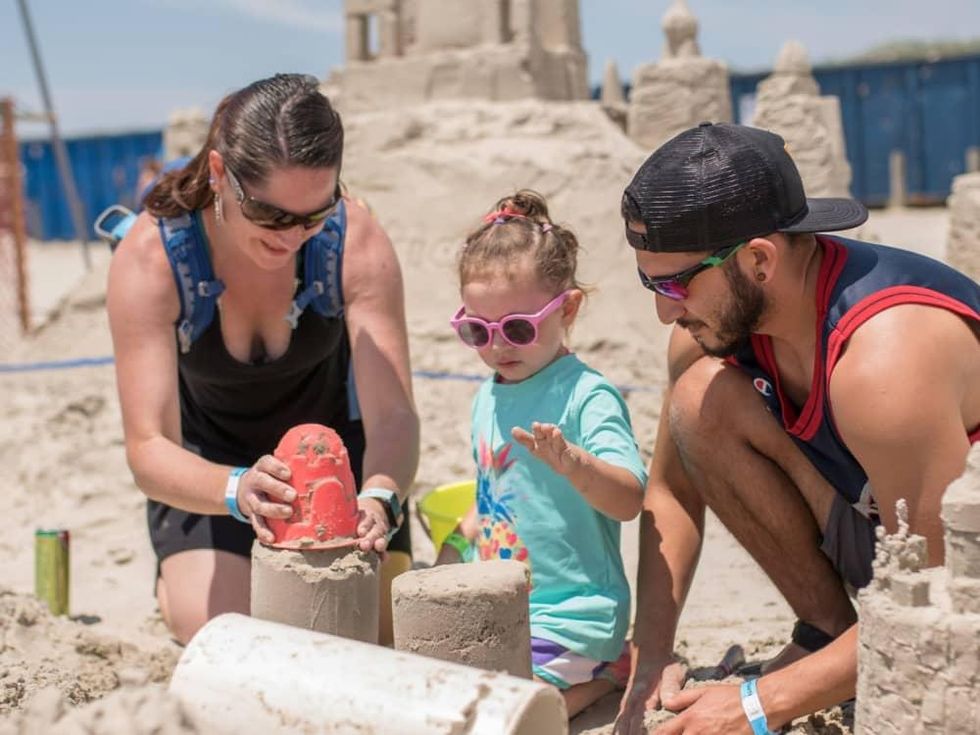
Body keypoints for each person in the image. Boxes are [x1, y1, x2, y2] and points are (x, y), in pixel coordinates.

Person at [613, 122, 980, 734]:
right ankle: (826, 634)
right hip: (894, 547)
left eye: (676, 284)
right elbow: (672, 494)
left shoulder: (882, 359)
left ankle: (831, 658)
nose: (663, 310)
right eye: (649, 282)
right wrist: (651, 656)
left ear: (759, 259)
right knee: (698, 397)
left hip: (960, 584)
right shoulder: (718, 329)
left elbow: (938, 602)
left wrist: (758, 706)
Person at [106, 74, 419, 646]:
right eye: (273, 218)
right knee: (226, 633)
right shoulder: (152, 257)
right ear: (222, 174)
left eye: (315, 215)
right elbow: (148, 449)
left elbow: (394, 416)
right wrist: (237, 488)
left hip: (336, 464)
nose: (293, 238)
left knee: (366, 629)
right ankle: (179, 573)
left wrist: (379, 494)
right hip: (213, 472)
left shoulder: (355, 239)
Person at [436, 190, 648, 717]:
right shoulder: (488, 393)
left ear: (568, 308)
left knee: (503, 707)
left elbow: (628, 499)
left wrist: (573, 463)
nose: (497, 346)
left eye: (517, 328)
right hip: (509, 608)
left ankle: (604, 675)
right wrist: (452, 552)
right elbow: (494, 497)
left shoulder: (585, 395)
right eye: (476, 330)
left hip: (574, 614)